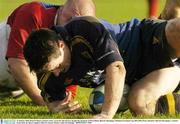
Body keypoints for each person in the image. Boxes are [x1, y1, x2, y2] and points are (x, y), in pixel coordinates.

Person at [23, 15, 180, 119]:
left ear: (61, 44)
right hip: (145, 75)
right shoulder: (49, 75)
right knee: (139, 104)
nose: (56, 74)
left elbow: (117, 68)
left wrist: (106, 114)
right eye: (50, 70)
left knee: (176, 30)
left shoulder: (84, 29)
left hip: (144, 41)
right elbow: (53, 103)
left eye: (57, 66)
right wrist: (55, 107)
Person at [0, 0, 95, 105]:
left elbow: (67, 85)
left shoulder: (77, 40)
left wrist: (62, 103)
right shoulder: (35, 13)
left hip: (12, 88)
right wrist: (45, 102)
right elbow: (17, 63)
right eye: (71, 20)